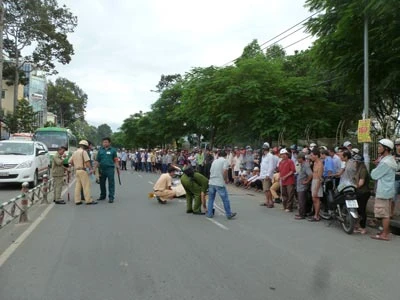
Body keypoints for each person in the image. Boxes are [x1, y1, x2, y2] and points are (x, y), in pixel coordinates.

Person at [370, 139, 397, 241]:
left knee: (384, 214)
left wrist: (376, 165)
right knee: (386, 212)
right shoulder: (390, 160)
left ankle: (385, 234)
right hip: (388, 190)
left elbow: (374, 175)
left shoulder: (385, 162)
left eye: (380, 146)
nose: (378, 148)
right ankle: (385, 231)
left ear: (386, 149)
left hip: (383, 191)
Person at [206, 150, 237, 219]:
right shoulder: (224, 161)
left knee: (211, 199)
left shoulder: (214, 161)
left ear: (218, 155)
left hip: (211, 181)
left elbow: (210, 171)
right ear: (225, 156)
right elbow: (225, 171)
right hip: (219, 182)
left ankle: (209, 213)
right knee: (225, 199)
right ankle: (228, 214)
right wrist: (226, 179)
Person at [69, 140, 96, 205]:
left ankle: (77, 200)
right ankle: (88, 200)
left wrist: (75, 165)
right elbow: (87, 162)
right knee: (86, 186)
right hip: (83, 170)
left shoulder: (75, 152)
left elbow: (70, 162)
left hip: (77, 170)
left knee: (78, 186)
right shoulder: (84, 152)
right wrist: (91, 169)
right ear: (85, 146)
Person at [95, 137, 118, 203]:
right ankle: (102, 195)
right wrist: (94, 168)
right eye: (103, 142)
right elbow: (97, 160)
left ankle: (111, 197)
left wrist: (117, 165)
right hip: (101, 169)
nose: (105, 143)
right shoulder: (100, 150)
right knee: (102, 183)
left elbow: (115, 159)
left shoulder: (113, 150)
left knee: (111, 183)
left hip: (110, 169)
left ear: (109, 143)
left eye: (106, 142)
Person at [353, 154, 370, 234]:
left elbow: (361, 183)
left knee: (362, 210)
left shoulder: (363, 170)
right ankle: (358, 226)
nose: (354, 163)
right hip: (359, 192)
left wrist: (354, 186)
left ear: (358, 162)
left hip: (363, 192)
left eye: (355, 161)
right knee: (358, 209)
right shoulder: (357, 169)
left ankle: (363, 227)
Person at [259, 142, 278, 208]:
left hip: (267, 175)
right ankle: (267, 201)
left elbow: (271, 166)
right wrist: (261, 175)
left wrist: (268, 175)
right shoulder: (263, 156)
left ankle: (270, 202)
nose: (264, 149)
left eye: (265, 148)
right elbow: (262, 165)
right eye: (263, 148)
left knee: (267, 189)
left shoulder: (270, 156)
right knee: (265, 190)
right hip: (263, 174)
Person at [295, 152, 313, 219]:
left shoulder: (306, 165)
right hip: (300, 186)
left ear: (301, 158)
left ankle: (302, 214)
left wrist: (307, 181)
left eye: (298, 158)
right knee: (301, 200)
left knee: (301, 200)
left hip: (302, 187)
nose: (297, 160)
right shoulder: (302, 165)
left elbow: (310, 174)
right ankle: (302, 213)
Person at [309, 148, 323, 222]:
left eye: (312, 155)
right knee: (314, 199)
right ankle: (315, 214)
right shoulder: (314, 163)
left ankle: (316, 215)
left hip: (317, 181)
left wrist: (317, 189)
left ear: (316, 156)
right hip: (314, 180)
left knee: (316, 199)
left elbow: (320, 178)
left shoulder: (320, 164)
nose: (311, 157)